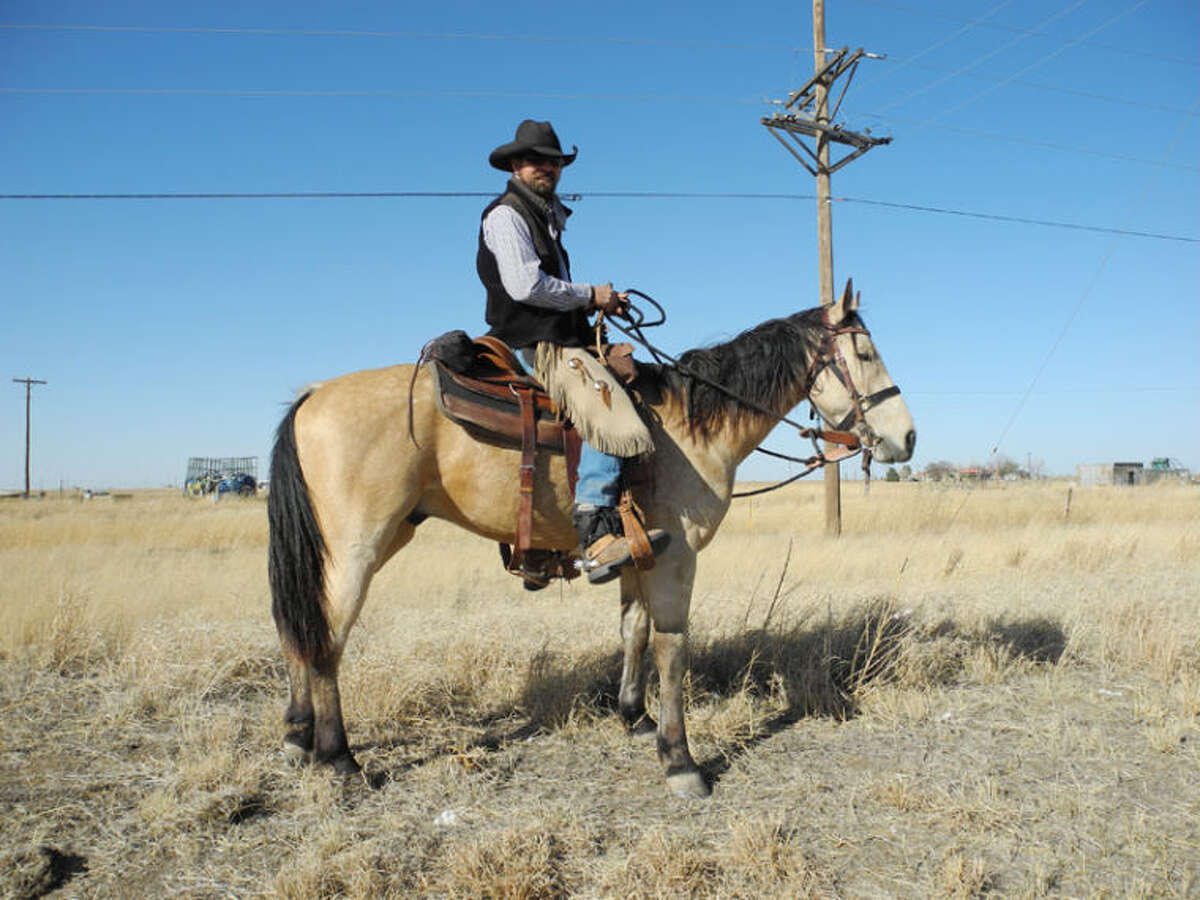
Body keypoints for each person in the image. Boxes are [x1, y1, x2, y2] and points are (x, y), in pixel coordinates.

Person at [477, 119, 668, 584]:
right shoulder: (506, 216)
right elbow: (525, 285)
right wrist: (591, 295)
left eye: (554, 161)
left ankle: (543, 545)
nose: (547, 167)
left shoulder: (545, 217)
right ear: (516, 165)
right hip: (533, 343)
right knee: (610, 409)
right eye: (537, 160)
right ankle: (597, 531)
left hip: (557, 336)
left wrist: (599, 305)